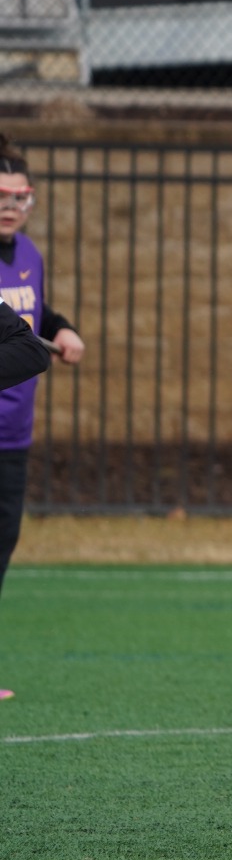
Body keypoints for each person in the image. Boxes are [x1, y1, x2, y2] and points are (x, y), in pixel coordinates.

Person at [0, 138, 62, 700]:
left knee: (2, 543)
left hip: (15, 433)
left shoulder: (32, 257)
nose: (9, 205)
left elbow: (31, 322)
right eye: (0, 195)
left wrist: (61, 326)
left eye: (19, 195)